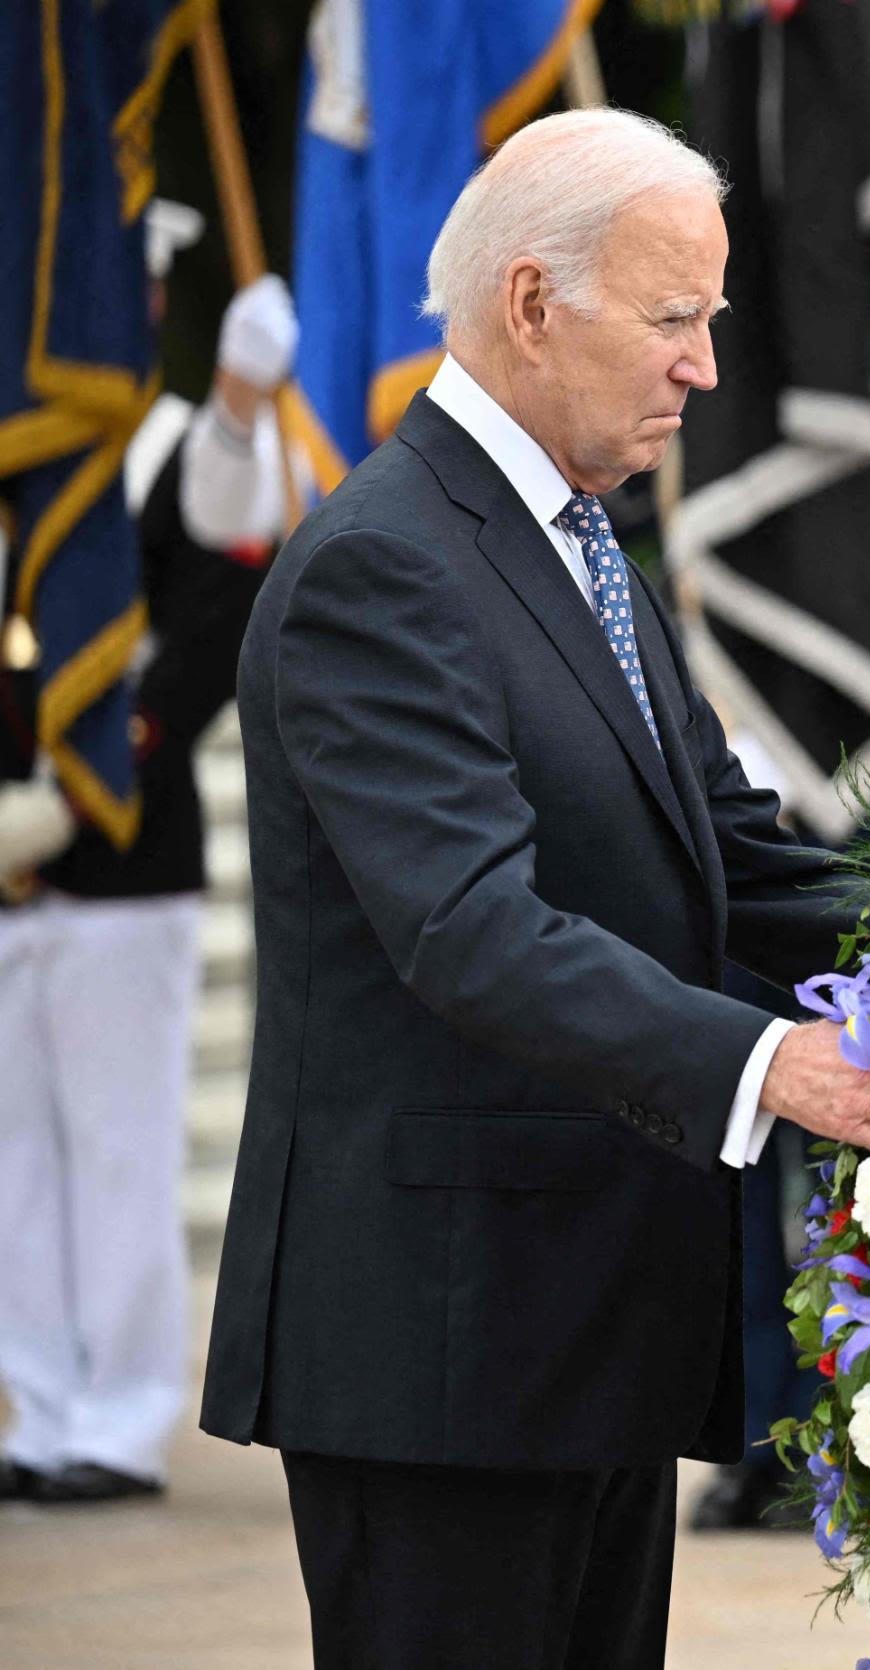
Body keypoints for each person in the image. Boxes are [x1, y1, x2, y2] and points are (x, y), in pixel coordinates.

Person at [198, 110, 870, 1670]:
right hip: (440, 1344)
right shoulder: (386, 563)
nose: (702, 365)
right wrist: (783, 1066)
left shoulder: (578, 540)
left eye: (714, 321)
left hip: (577, 1322)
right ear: (533, 305)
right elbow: (469, 927)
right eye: (674, 317)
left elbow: (730, 853)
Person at [0, 203, 302, 1507]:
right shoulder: (28, 450)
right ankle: (39, 1403)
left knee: (116, 1144)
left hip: (123, 850)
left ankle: (116, 1416)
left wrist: (240, 405)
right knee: (17, 1157)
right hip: (14, 852)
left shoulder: (180, 446)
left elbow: (218, 599)